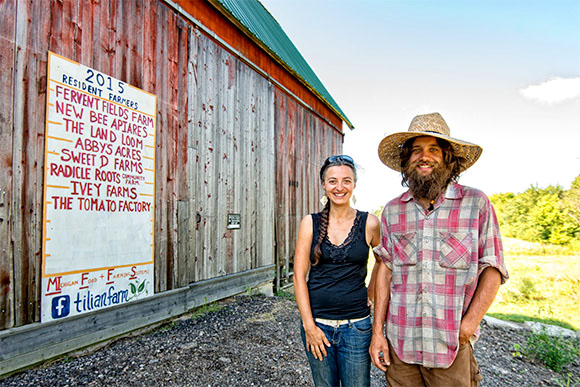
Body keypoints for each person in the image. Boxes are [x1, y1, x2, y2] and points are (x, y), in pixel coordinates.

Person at [369, 113, 509, 386]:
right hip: (401, 346)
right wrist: (378, 333)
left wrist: (467, 327)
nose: (425, 157)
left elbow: (493, 269)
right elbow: (384, 273)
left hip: (451, 348)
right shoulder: (393, 211)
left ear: (448, 158)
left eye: (434, 149)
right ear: (406, 160)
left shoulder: (476, 204)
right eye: (417, 151)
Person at [294, 155, 382, 387]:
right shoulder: (309, 223)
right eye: (332, 181)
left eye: (346, 180)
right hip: (318, 326)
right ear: (323, 185)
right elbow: (298, 277)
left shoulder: (370, 223)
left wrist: (370, 292)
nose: (339, 187)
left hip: (357, 327)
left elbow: (383, 264)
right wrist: (309, 326)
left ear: (354, 184)